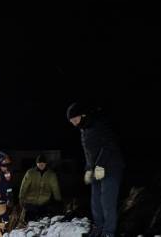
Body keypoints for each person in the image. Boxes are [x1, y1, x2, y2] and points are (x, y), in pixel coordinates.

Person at [67, 102, 125, 237]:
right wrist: (88, 169)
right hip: (96, 169)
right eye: (72, 122)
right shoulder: (83, 130)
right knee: (95, 201)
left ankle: (108, 232)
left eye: (75, 120)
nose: (74, 124)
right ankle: (98, 228)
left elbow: (108, 146)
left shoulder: (99, 124)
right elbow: (88, 153)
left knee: (107, 201)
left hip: (112, 167)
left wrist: (100, 166)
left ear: (83, 115)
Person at [19, 154, 62, 221]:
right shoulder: (30, 173)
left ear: (46, 163)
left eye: (43, 163)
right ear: (36, 163)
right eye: (39, 163)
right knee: (29, 222)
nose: (41, 165)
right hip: (30, 204)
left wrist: (58, 200)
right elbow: (24, 186)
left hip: (44, 204)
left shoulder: (51, 175)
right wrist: (21, 198)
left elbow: (55, 188)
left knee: (43, 222)